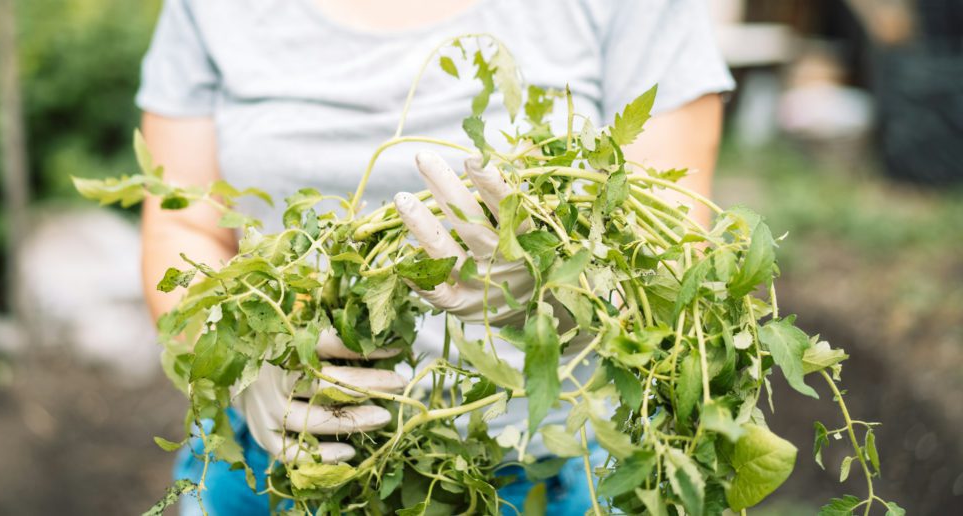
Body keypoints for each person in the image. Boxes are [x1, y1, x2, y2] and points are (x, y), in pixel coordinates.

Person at [137, 0, 734, 513]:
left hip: (562, 467)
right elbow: (184, 224)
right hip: (279, 460)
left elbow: (673, 242)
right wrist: (240, 365)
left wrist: (566, 292)